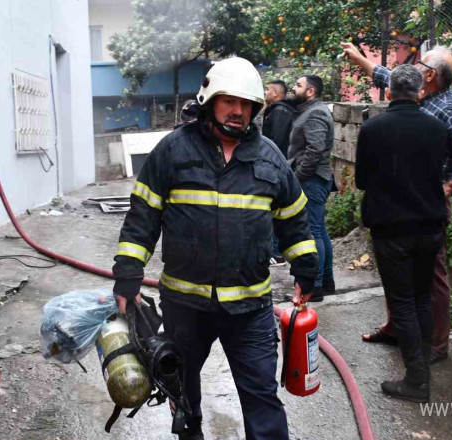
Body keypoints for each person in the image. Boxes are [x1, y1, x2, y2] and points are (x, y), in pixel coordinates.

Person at [111, 57, 319, 440]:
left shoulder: (270, 157)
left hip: (250, 309)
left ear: (256, 108)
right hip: (185, 306)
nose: (238, 111)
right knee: (181, 388)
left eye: (246, 104)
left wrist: (307, 269)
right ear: (209, 100)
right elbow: (142, 218)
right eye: (229, 101)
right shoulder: (173, 151)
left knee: (262, 396)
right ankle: (189, 433)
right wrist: (127, 275)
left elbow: (295, 220)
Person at [342, 43, 452, 363]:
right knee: (396, 272)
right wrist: (361, 60)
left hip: (426, 206)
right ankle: (397, 328)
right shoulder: (419, 98)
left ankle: (436, 345)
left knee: (431, 278)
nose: (414, 69)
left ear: (430, 75)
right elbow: (392, 77)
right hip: (398, 203)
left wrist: (449, 186)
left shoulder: (447, 111)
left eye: (421, 64)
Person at [356, 65, 452, 403]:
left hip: (391, 228)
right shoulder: (437, 127)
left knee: (402, 302)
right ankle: (420, 374)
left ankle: (417, 381)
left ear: (388, 92)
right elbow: (451, 164)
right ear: (419, 92)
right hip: (429, 226)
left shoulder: (372, 128)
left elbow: (361, 181)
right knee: (421, 298)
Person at [288, 74, 336, 301]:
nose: (293, 88)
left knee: (314, 232)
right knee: (320, 230)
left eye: (298, 85)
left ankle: (316, 286)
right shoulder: (309, 110)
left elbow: (314, 151)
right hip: (315, 179)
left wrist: (297, 178)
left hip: (313, 179)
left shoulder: (315, 112)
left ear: (310, 91)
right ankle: (326, 281)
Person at [262, 79, 296, 266]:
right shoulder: (275, 110)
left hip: (275, 169)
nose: (264, 92)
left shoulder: (280, 112)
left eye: (267, 89)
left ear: (275, 93)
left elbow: (277, 143)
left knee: (275, 210)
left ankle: (277, 252)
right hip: (274, 168)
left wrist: (272, 168)